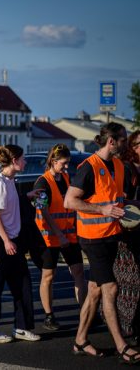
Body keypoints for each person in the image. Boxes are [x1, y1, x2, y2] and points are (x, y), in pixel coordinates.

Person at [64, 122, 140, 363]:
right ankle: (121, 346)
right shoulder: (89, 167)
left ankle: (80, 340)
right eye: (123, 140)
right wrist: (101, 209)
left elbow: (118, 200)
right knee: (111, 288)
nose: (126, 144)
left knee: (95, 291)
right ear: (111, 142)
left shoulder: (118, 165)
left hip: (111, 235)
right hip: (92, 238)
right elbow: (70, 201)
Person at [0, 145, 40, 343]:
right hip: (1, 241)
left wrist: (27, 197)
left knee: (22, 284)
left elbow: (8, 205)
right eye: (22, 159)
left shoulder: (9, 180)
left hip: (13, 240)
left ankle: (21, 327)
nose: (25, 162)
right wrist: (6, 240)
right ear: (14, 161)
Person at [32, 144, 87, 330]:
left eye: (68, 164)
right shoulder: (42, 182)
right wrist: (58, 234)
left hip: (69, 235)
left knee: (78, 272)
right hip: (50, 237)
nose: (66, 167)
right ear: (53, 161)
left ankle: (85, 312)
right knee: (48, 275)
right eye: (63, 164)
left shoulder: (65, 178)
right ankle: (49, 315)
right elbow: (43, 210)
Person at [113, 129, 140, 343]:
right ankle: (127, 326)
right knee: (130, 282)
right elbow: (119, 201)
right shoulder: (127, 169)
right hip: (128, 233)